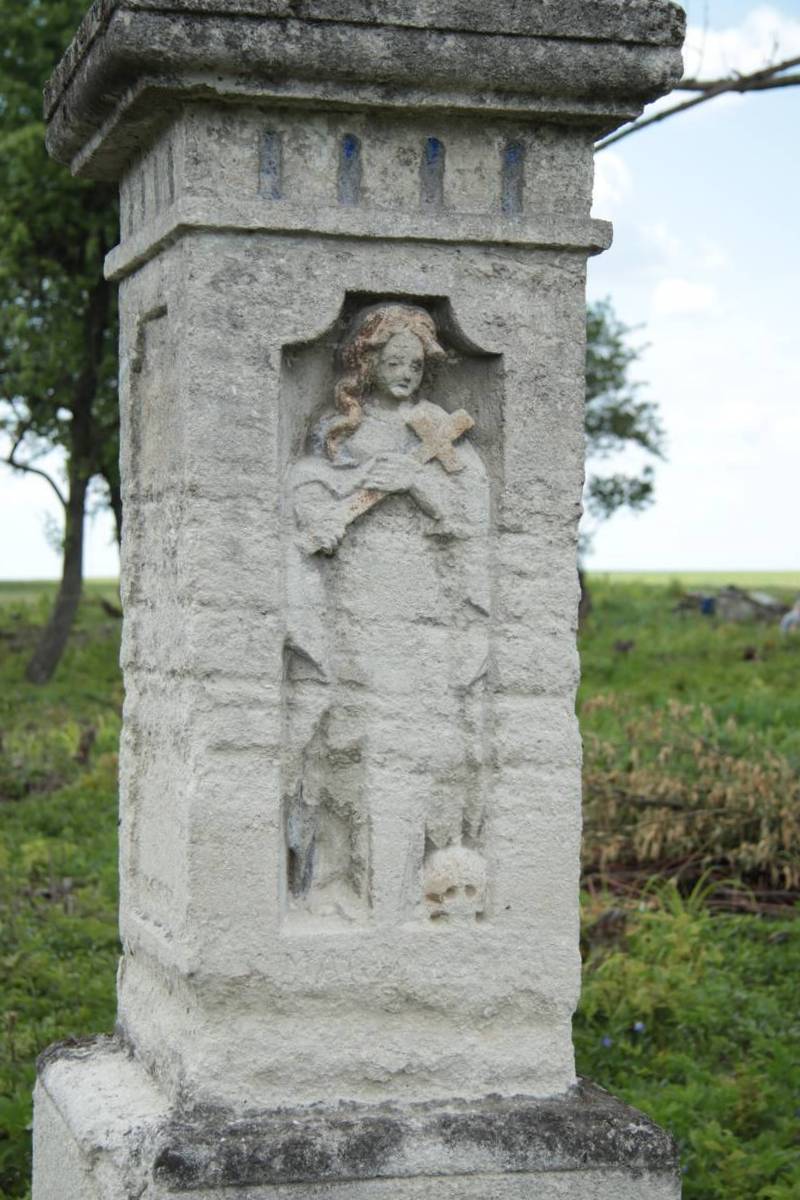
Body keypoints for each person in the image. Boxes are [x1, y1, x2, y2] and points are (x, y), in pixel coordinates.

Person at [282, 303, 491, 925]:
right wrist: (336, 503)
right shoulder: (337, 431)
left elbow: (466, 517)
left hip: (421, 604)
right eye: (392, 362)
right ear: (364, 364)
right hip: (353, 597)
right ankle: (339, 881)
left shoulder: (438, 431)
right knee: (349, 733)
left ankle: (415, 893)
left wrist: (418, 487)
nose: (405, 374)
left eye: (415, 364)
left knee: (414, 739)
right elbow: (305, 486)